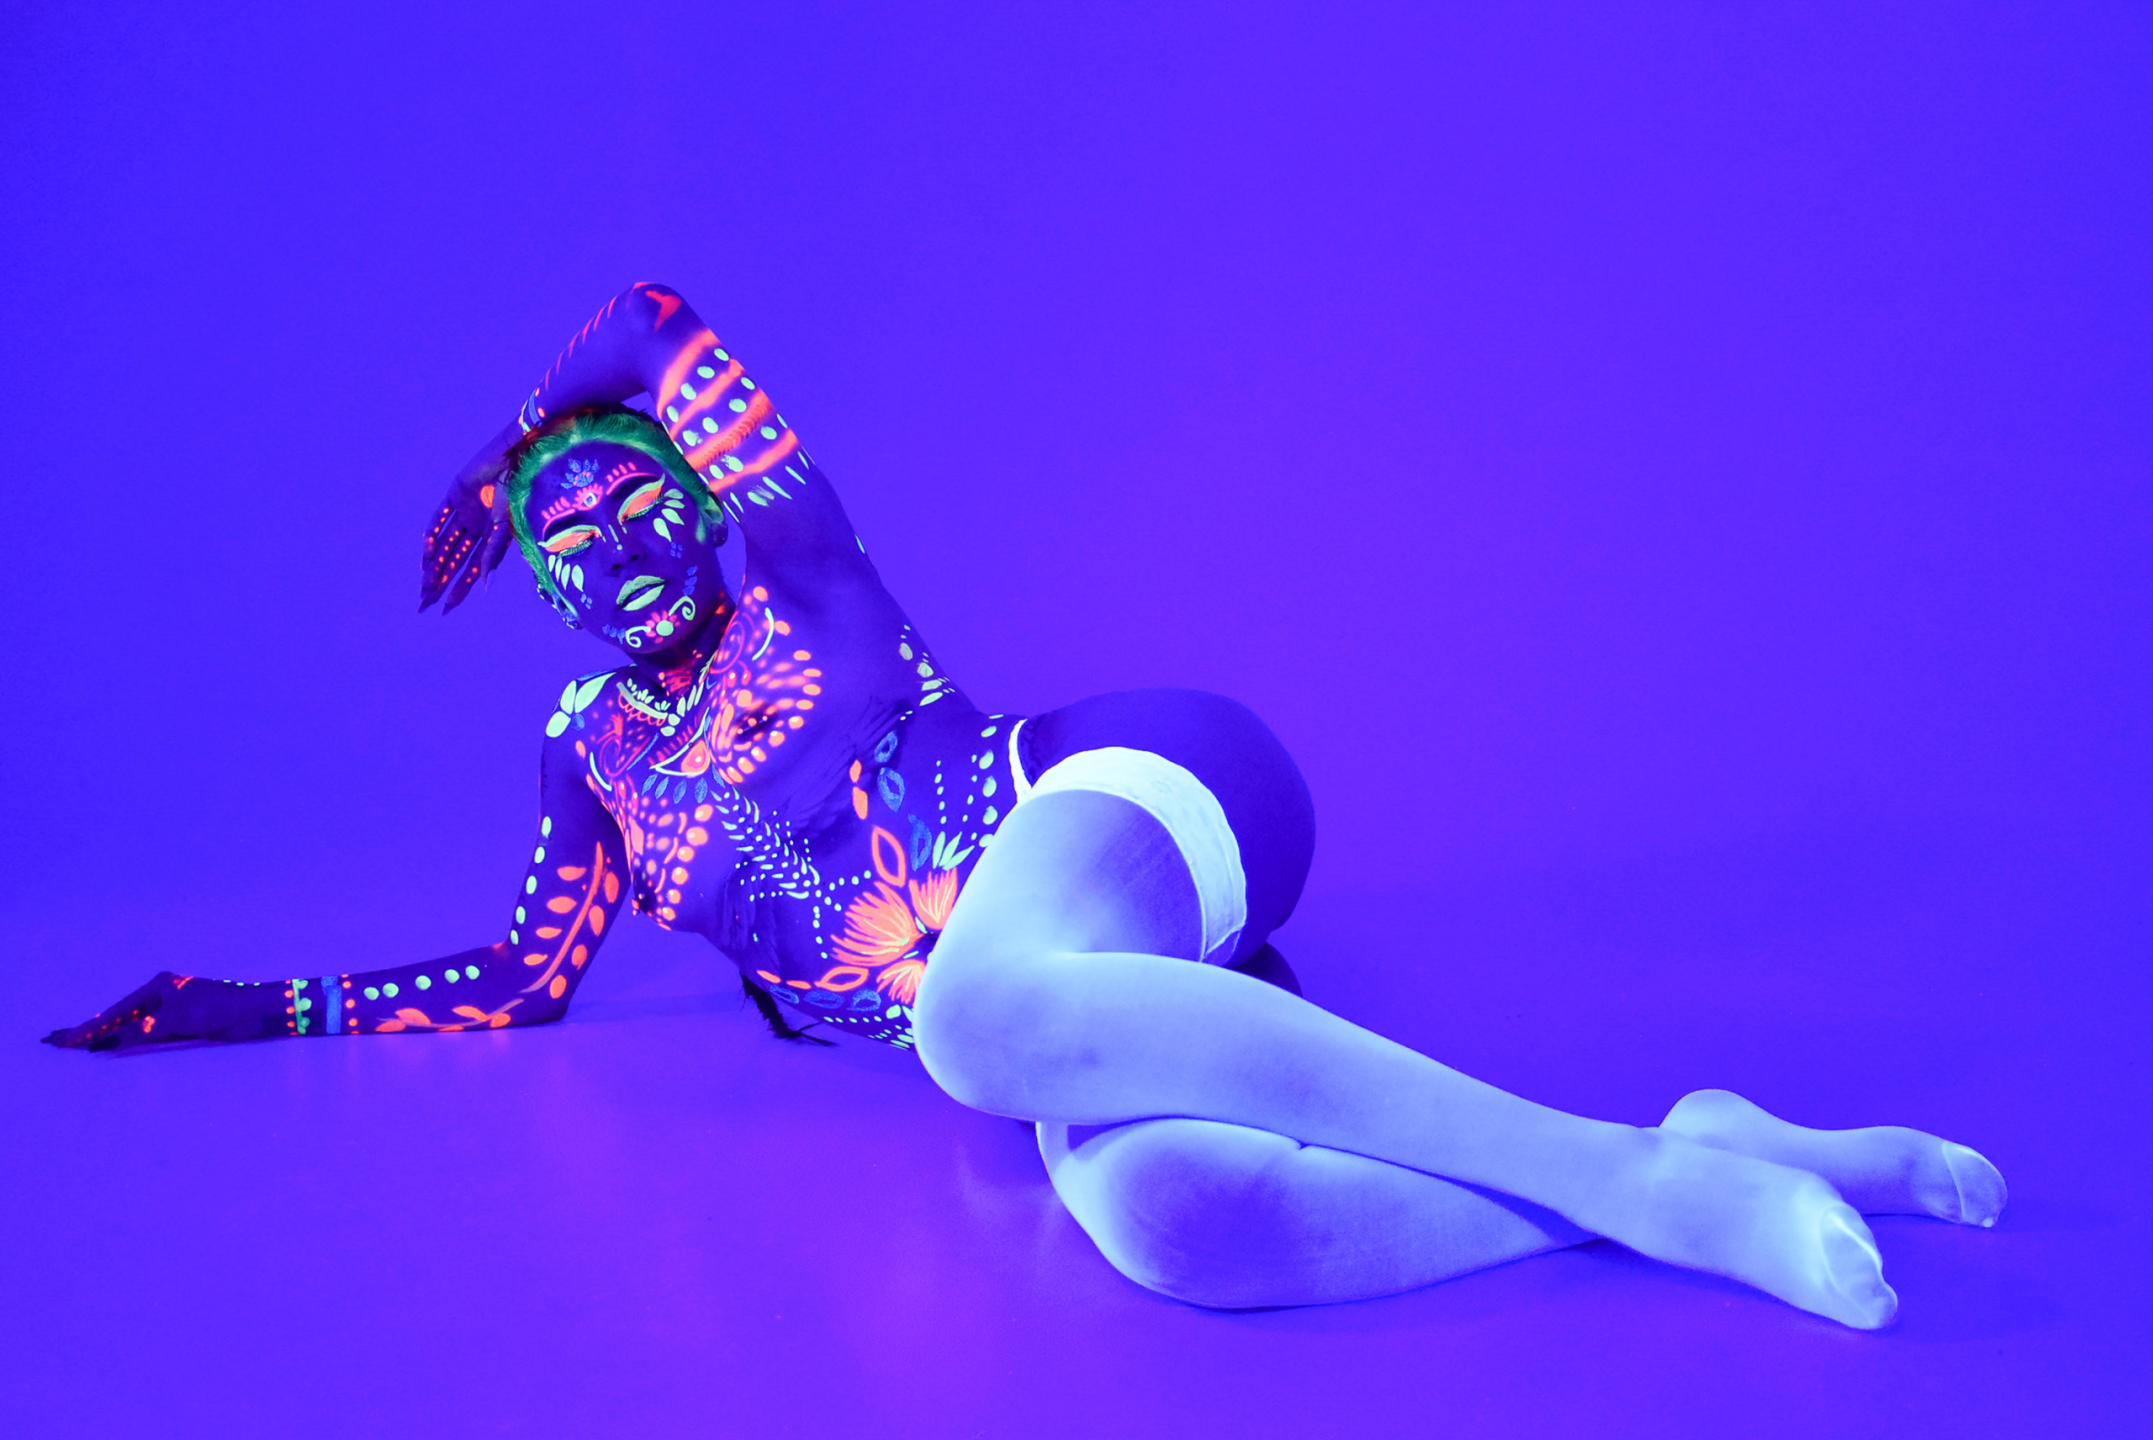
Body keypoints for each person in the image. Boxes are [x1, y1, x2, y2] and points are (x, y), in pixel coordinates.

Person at [45, 282, 2004, 1325]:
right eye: (565, 538)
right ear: (546, 596)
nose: (612, 544)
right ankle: (1683, 1160)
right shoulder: (586, 758)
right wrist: (242, 1007)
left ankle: (1647, 1190)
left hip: (1143, 790)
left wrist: (496, 456)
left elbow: (644, 318)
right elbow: (515, 983)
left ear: (708, 513)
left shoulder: (801, 571)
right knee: (1183, 1231)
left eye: (642, 503)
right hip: (1077, 1007)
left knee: (970, 1026)